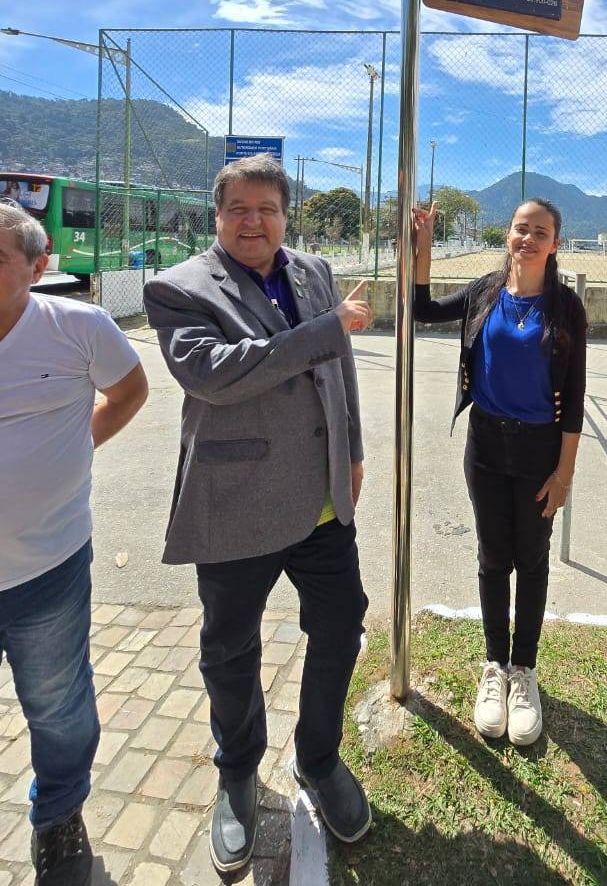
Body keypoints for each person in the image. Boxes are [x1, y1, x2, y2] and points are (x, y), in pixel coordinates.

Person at [142, 155, 373, 872]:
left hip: (323, 503)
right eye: (238, 208)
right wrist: (326, 330)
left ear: (284, 214)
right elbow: (216, 374)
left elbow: (339, 370)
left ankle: (319, 756)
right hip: (236, 503)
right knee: (230, 648)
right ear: (217, 216)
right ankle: (238, 774)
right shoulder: (176, 288)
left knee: (340, 624)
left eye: (267, 208)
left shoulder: (312, 271)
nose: (253, 221)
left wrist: (354, 447)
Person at [0, 203, 148, 886]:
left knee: (59, 706)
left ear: (37, 266)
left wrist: (72, 445)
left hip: (45, 567)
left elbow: (130, 391)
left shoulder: (77, 327)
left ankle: (58, 817)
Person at [412, 197, 587, 746]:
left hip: (539, 450)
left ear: (554, 242)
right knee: (493, 558)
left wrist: (564, 474)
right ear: (507, 235)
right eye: (520, 229)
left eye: (540, 231)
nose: (528, 238)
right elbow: (422, 309)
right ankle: (494, 668)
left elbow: (576, 397)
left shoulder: (566, 308)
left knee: (531, 559)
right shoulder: (486, 290)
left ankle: (524, 673)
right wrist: (422, 246)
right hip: (486, 444)